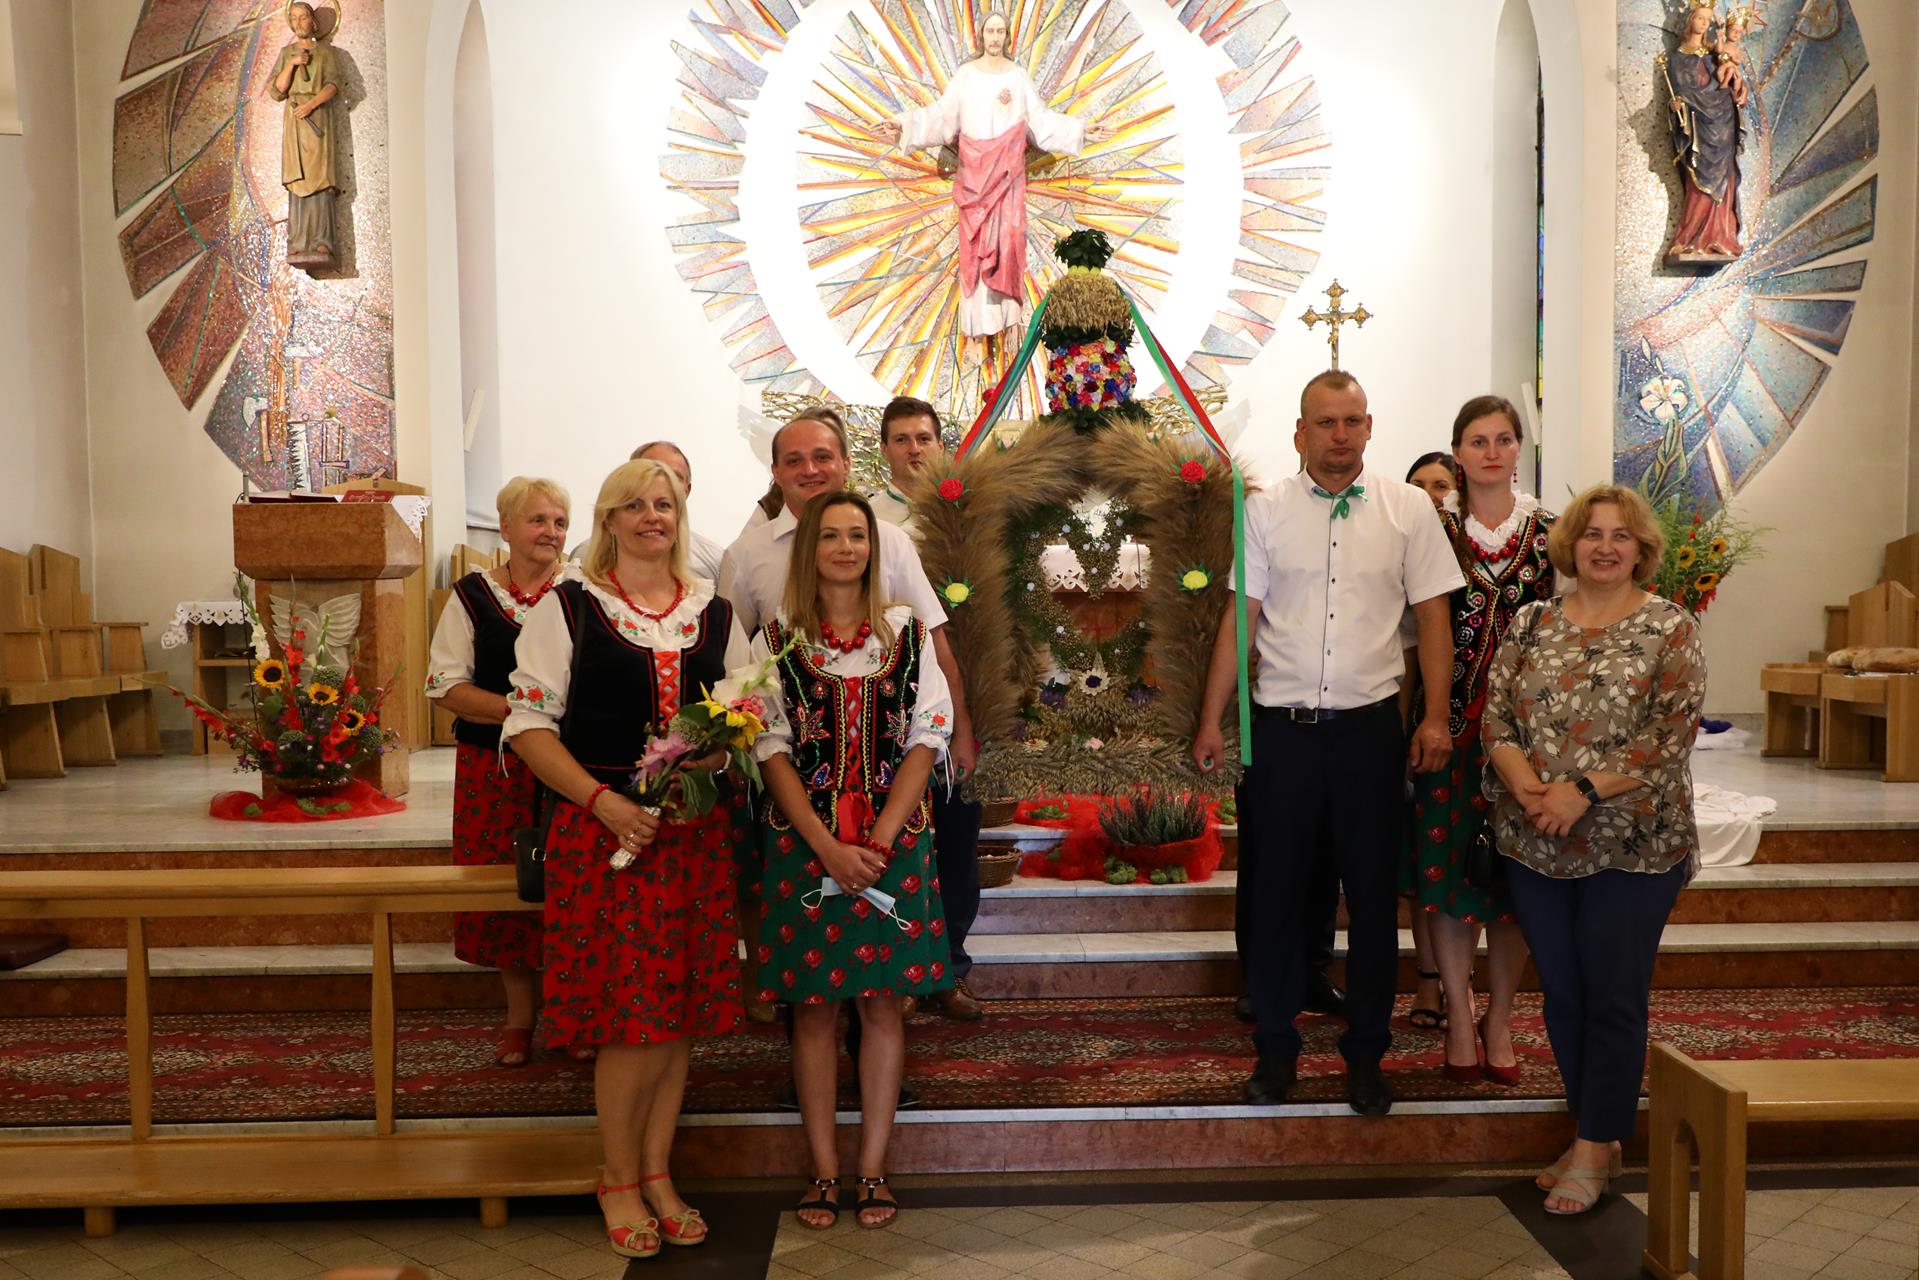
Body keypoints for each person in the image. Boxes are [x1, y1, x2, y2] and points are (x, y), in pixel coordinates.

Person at [1192, 370, 1463, 1116]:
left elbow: (1433, 621)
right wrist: (1212, 718)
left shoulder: (1408, 509)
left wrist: (1434, 718)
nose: (1339, 435)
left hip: (1368, 734)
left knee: (1372, 903)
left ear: (1369, 427)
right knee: (1275, 898)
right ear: (1299, 433)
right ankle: (1276, 1050)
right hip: (1281, 735)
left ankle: (1366, 1055)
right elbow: (1241, 617)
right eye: (1324, 422)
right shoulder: (1264, 509)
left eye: (1351, 421)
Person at [504, 458, 750, 1258]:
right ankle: (615, 1176)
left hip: (692, 837)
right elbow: (527, 728)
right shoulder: (570, 608)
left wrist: (716, 756)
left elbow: (747, 716)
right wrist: (601, 802)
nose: (653, 516)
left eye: (665, 504)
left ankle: (656, 1171)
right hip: (605, 833)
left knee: (677, 1017)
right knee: (630, 1019)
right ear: (608, 519)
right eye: (636, 505)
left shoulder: (714, 612)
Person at [1483, 483, 1705, 1215]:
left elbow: (1668, 734)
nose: (1604, 547)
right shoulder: (1531, 620)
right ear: (1569, 545)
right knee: (1563, 993)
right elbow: (1496, 720)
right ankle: (1596, 1135)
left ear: (1641, 551)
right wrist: (1528, 791)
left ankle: (1592, 1146)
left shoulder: (1669, 626)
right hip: (1536, 840)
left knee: (1611, 993)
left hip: (1634, 842)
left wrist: (1579, 791)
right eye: (1591, 534)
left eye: (1619, 536)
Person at [750, 492, 953, 1231]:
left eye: (857, 535)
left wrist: (879, 840)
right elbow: (767, 745)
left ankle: (871, 1169)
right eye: (830, 535)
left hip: (892, 844)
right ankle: (822, 1171)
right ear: (809, 549)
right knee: (812, 1009)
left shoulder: (907, 634)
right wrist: (827, 845)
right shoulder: (775, 640)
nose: (845, 547)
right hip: (804, 846)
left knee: (882, 1005)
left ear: (874, 546)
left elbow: (928, 735)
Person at [1404, 399, 1556, 1087]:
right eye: (1476, 441)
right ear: (1457, 452)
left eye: (1502, 439)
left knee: (1516, 881)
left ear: (1519, 448)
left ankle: (1500, 1018)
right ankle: (1460, 1016)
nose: (1490, 452)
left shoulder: (1552, 532)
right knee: (1447, 874)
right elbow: (1410, 635)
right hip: (1450, 729)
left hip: (1531, 738)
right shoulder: (1431, 528)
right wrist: (1418, 720)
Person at [426, 477, 571, 1067]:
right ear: (505, 526)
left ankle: (572, 1015)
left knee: (572, 888)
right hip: (497, 769)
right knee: (509, 890)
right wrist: (523, 714)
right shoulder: (472, 596)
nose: (551, 532)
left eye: (559, 522)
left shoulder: (582, 593)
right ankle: (519, 1019)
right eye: (538, 520)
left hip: (569, 767)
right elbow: (445, 686)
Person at [876, 11, 1110, 338]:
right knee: (974, 248)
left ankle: (1008, 323)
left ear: (1007, 37)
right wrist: (903, 124)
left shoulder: (1017, 78)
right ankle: (977, 328)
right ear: (982, 36)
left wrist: (1081, 129)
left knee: (1008, 242)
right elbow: (941, 116)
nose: (996, 37)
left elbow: (1041, 121)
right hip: (974, 178)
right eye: (991, 31)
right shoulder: (966, 76)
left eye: (1001, 31)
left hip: (1007, 178)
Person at [865, 395, 985, 1020]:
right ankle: (903, 971)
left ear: (941, 445)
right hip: (888, 707)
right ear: (884, 449)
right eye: (902, 439)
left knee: (958, 843)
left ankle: (951, 970)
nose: (914, 449)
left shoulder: (968, 512)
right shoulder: (865, 521)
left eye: (924, 438)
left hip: (962, 694)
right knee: (902, 841)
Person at [1399, 452, 1463, 1032]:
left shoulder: (1488, 550)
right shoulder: (1404, 545)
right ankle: (1427, 978)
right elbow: (1408, 649)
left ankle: (1468, 987)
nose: (1429, 496)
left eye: (1440, 485)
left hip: (1488, 717)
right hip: (1424, 717)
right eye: (1417, 485)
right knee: (1425, 857)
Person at [1662, 0, 1748, 261]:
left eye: (1708, 20)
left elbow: (1728, 84)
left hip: (1723, 121)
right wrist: (1675, 105)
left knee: (1725, 177)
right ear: (1690, 20)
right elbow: (1680, 92)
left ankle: (1722, 237)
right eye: (1700, 18)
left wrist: (1738, 86)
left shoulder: (1714, 56)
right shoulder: (1677, 58)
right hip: (1699, 126)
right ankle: (1691, 238)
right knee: (1699, 176)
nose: (1704, 24)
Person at [267, 2, 341, 270]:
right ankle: (298, 240)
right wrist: (291, 64)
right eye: (294, 18)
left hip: (317, 118)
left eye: (304, 17)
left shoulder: (327, 53)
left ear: (313, 22)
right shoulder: (286, 54)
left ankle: (323, 240)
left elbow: (333, 85)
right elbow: (277, 91)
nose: (299, 23)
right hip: (295, 124)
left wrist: (311, 105)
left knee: (320, 178)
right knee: (297, 180)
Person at [629, 441, 725, 583]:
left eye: (675, 477)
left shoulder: (716, 562)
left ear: (687, 490)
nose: (663, 483)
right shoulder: (594, 555)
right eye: (652, 474)